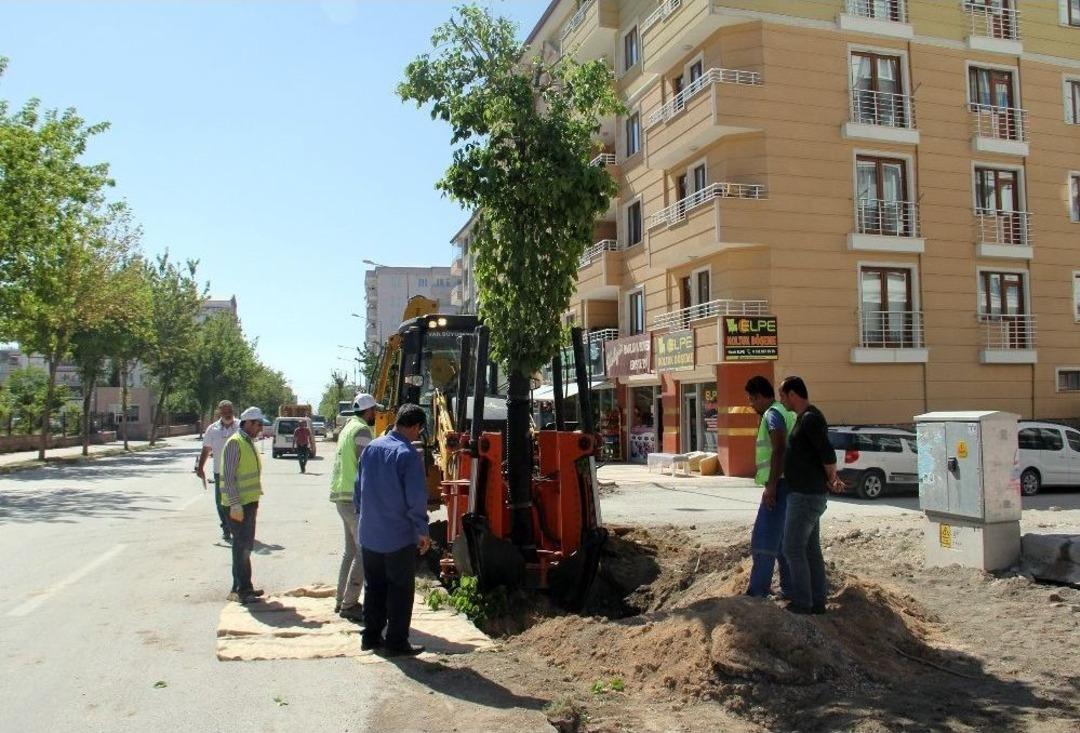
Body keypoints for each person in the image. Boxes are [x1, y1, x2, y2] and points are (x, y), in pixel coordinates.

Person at [356, 403, 431, 656]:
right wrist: (422, 530)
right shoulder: (407, 454)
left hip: (369, 533)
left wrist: (363, 516)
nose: (418, 435)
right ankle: (396, 642)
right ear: (415, 427)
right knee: (399, 590)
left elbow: (359, 488)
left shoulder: (372, 448)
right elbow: (416, 498)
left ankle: (371, 637)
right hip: (397, 536)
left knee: (374, 586)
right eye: (419, 431)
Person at [778, 377, 844, 615]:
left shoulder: (810, 419)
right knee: (809, 549)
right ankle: (816, 601)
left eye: (782, 395)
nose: (781, 400)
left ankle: (803, 602)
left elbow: (827, 453)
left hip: (806, 495)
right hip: (807, 493)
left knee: (792, 548)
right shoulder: (805, 418)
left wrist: (832, 477)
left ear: (793, 394)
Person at [745, 376, 796, 599]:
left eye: (751, 399)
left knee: (764, 540)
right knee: (784, 542)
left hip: (780, 484)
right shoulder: (788, 412)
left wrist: (772, 486)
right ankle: (791, 588)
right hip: (790, 483)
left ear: (759, 396)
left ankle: (758, 592)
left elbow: (779, 448)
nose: (750, 404)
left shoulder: (772, 414)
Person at [329, 393, 378, 622]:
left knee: (350, 552)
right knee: (362, 552)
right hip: (353, 499)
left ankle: (341, 600)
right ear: (368, 411)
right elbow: (366, 464)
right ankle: (349, 604)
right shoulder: (361, 431)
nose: (375, 415)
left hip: (342, 496)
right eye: (374, 411)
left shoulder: (348, 427)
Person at [220, 406, 268, 604]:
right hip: (238, 505)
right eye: (258, 424)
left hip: (248, 502)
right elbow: (229, 477)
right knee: (241, 547)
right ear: (247, 423)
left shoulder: (247, 441)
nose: (260, 428)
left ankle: (242, 586)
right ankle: (242, 589)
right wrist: (235, 504)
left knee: (245, 546)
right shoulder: (235, 443)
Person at [195, 400, 238, 542]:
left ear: (233, 410)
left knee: (237, 501)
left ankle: (237, 528)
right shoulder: (212, 429)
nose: (227, 413)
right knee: (221, 503)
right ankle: (226, 528)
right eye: (224, 410)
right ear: (219, 412)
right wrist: (200, 467)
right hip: (220, 472)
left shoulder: (241, 426)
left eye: (229, 410)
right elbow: (206, 449)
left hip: (239, 472)